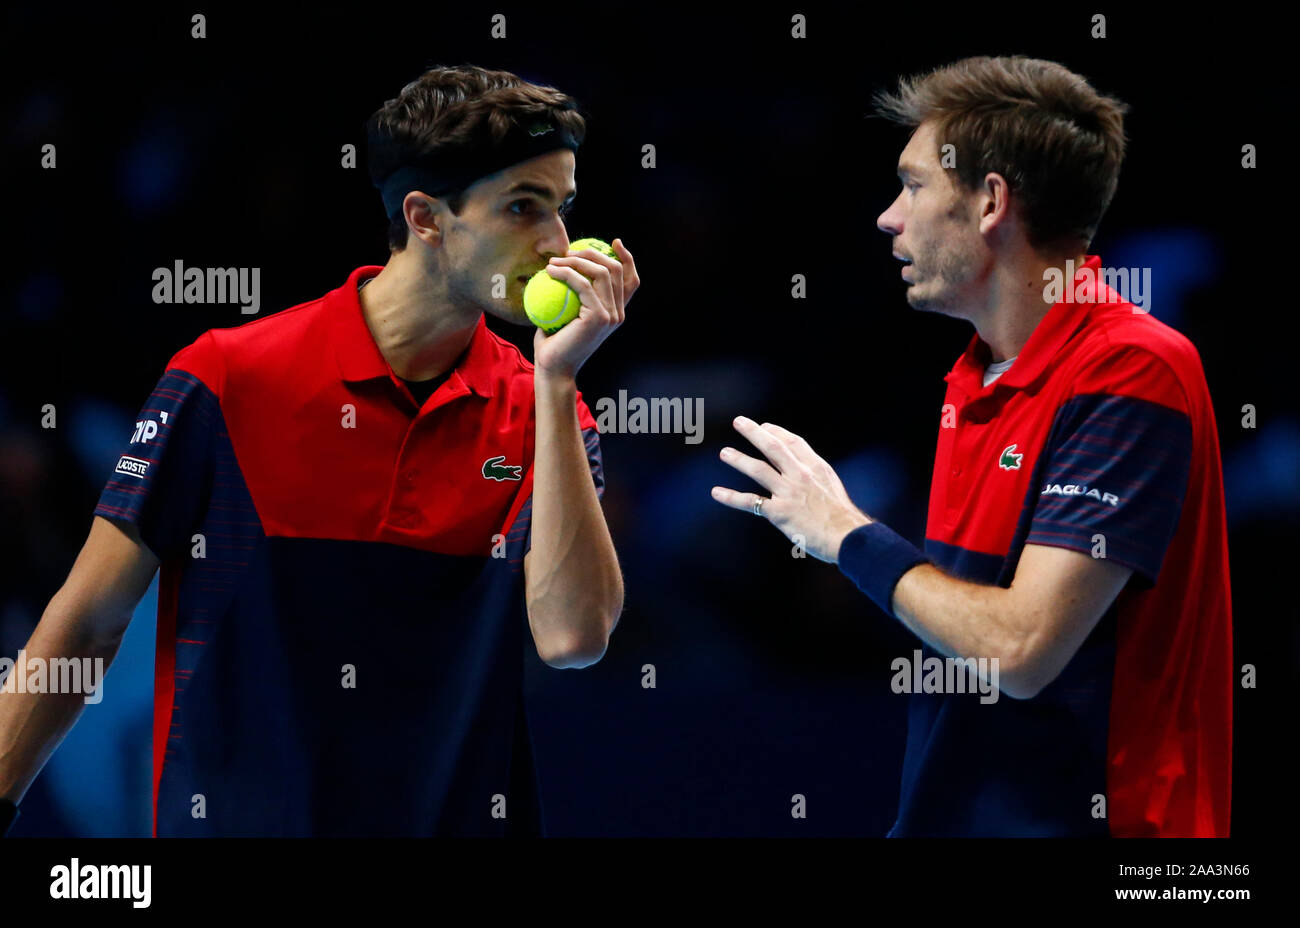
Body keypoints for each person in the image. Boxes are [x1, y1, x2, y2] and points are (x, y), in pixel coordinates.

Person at [0, 64, 637, 836]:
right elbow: (86, 623)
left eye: (564, 208)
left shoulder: (542, 408)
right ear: (427, 217)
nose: (559, 246)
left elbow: (573, 640)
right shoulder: (228, 378)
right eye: (523, 207)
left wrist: (558, 382)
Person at [711, 56, 1232, 837]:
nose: (889, 216)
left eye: (913, 184)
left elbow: (1020, 649)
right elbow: (965, 642)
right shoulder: (976, 375)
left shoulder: (1131, 367)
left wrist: (844, 535)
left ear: (990, 201)